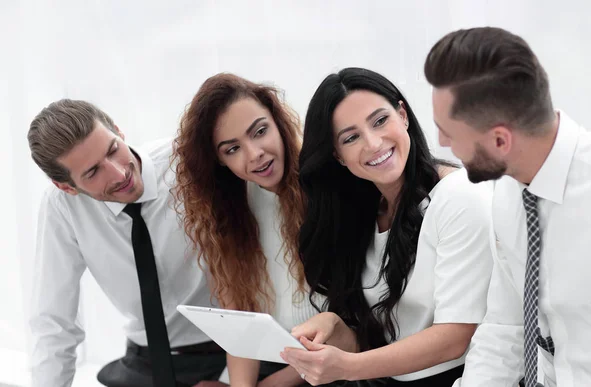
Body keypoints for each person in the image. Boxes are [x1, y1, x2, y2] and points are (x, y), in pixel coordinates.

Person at [280, 67, 493, 386]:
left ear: (403, 115)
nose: (374, 142)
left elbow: (454, 338)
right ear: (338, 155)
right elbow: (390, 343)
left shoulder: (457, 195)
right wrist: (339, 329)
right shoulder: (365, 210)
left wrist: (348, 366)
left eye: (380, 120)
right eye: (351, 137)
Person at [424, 26, 591, 387]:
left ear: (500, 140)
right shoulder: (507, 191)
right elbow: (506, 327)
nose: (441, 142)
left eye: (449, 132)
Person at [27, 99, 226, 387]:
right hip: (143, 363)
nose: (120, 174)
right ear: (66, 187)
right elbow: (53, 324)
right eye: (93, 172)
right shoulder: (61, 207)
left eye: (113, 150)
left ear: (119, 132)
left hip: (233, 352)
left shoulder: (188, 162)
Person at [171, 73, 323, 387]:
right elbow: (240, 324)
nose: (254, 154)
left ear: (278, 122)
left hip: (330, 365)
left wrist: (274, 384)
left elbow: (355, 324)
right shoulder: (228, 212)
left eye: (260, 131)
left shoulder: (325, 185)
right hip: (273, 365)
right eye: (232, 149)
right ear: (219, 161)